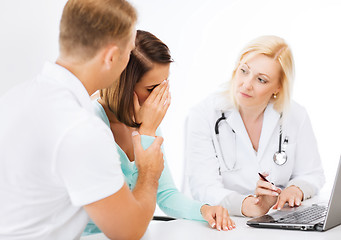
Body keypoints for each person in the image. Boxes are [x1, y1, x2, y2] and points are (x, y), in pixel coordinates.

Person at [0, 1, 168, 239]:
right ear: (111, 57)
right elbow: (128, 231)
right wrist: (149, 172)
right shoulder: (80, 129)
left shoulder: (14, 98)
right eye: (129, 52)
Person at [84, 30, 235, 234]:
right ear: (122, 86)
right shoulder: (88, 124)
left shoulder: (145, 120)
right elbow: (120, 220)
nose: (162, 97)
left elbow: (165, 193)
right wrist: (146, 133)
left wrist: (203, 209)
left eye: (164, 85)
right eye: (152, 88)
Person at [184, 35, 325, 217]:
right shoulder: (204, 114)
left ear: (278, 88)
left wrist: (295, 190)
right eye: (244, 71)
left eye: (261, 80)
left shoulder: (295, 115)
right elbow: (203, 186)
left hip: (275, 220)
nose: (246, 84)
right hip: (221, 222)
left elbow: (312, 174)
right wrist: (245, 205)